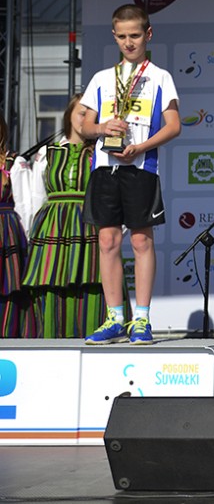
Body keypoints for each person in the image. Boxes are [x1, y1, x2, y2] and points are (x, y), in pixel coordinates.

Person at [80, 4, 180, 344]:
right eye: (122, 36)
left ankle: (141, 319)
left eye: (135, 35)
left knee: (140, 240)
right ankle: (114, 318)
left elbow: (174, 126)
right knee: (107, 240)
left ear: (148, 34)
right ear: (114, 36)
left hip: (140, 166)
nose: (129, 42)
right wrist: (102, 127)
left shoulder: (160, 77)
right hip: (104, 167)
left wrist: (141, 147)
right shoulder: (102, 78)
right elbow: (85, 125)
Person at [19, 95, 116, 338]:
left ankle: (95, 340)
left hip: (90, 226)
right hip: (54, 227)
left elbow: (114, 196)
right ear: (69, 116)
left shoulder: (103, 152)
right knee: (51, 284)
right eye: (82, 113)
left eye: (92, 115)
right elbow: (36, 197)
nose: (87, 119)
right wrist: (33, 233)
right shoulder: (48, 153)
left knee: (93, 285)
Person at [0, 112, 30, 337]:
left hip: (6, 231)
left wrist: (25, 240)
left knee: (8, 288)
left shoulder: (14, 162)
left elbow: (24, 206)